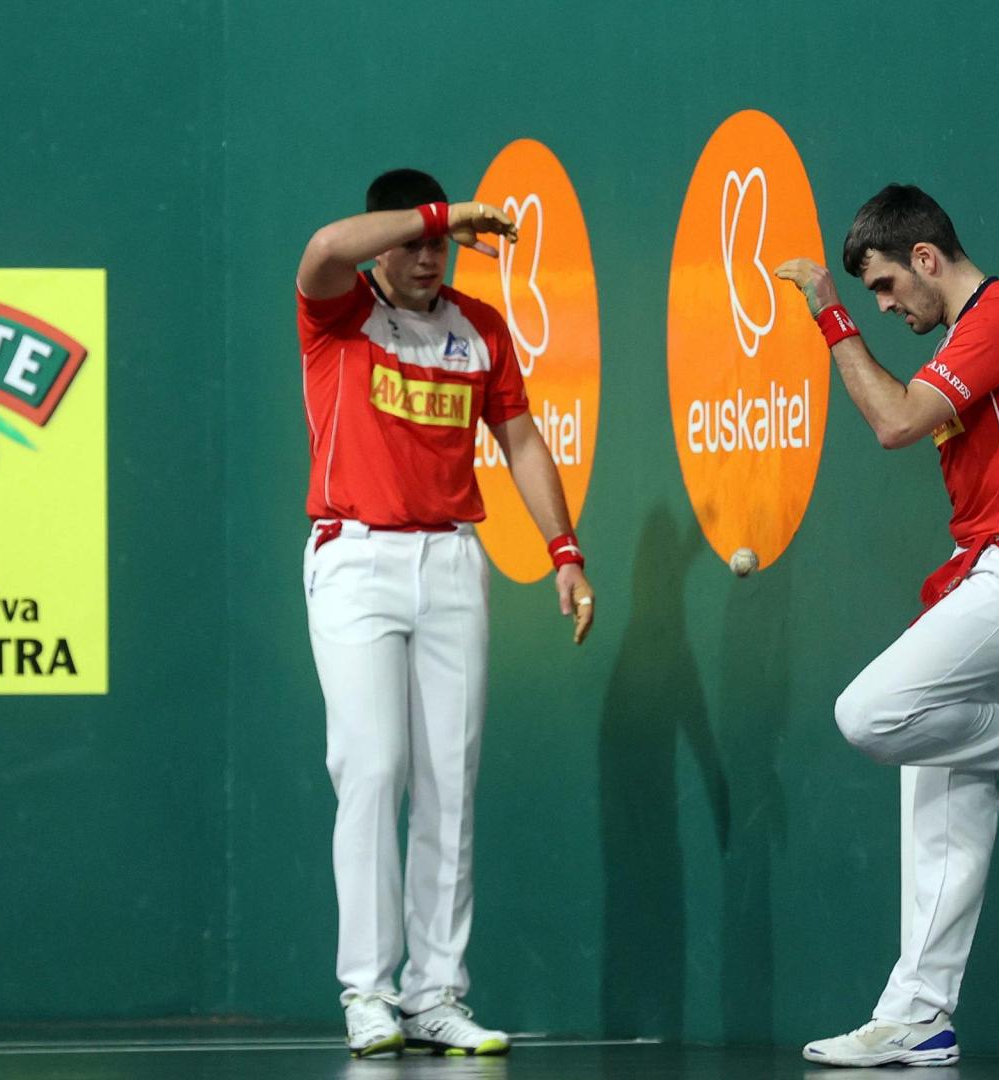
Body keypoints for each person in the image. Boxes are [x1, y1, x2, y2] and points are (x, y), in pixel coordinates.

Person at [773, 184, 999, 1067]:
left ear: (925, 258)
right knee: (936, 788)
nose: (883, 304)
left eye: (884, 285)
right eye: (866, 294)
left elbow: (895, 421)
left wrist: (832, 316)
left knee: (870, 714)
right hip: (984, 575)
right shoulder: (964, 341)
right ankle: (920, 1014)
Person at [295, 168, 597, 1058]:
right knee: (372, 767)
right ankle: (368, 992)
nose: (430, 258)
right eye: (414, 243)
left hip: (454, 562)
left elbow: (521, 439)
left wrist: (565, 551)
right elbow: (323, 248)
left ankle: (436, 995)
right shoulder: (339, 313)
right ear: (386, 239)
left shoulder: (481, 330)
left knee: (450, 785)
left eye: (440, 247)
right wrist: (445, 213)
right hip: (355, 560)